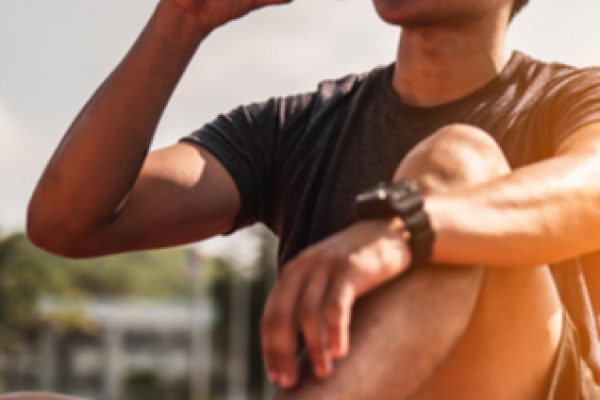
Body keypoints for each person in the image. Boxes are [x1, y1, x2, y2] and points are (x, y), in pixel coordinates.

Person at [27, 0, 600, 398]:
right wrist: (182, 20)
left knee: (458, 158)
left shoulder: (570, 100)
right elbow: (69, 222)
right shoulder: (296, 128)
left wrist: (405, 229)